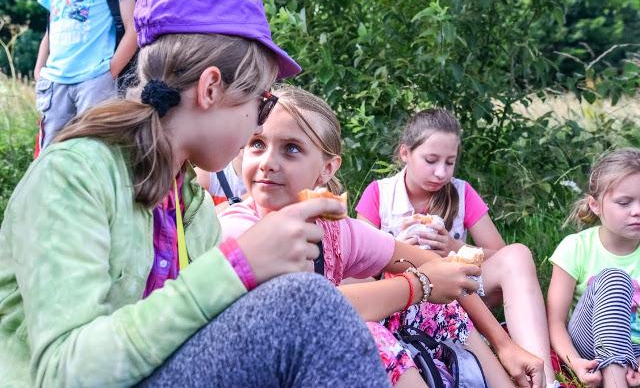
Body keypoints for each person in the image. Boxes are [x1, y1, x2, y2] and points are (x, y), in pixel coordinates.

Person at [0, 0, 390, 387]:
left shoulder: (193, 206)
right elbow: (65, 371)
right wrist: (236, 266)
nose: (259, 124)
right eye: (262, 104)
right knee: (309, 304)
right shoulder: (74, 175)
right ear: (210, 88)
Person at [218, 85, 545, 387]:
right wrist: (419, 284)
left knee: (435, 307)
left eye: (290, 149)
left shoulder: (335, 229)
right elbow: (313, 310)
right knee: (368, 336)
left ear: (327, 169)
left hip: (315, 359)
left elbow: (438, 268)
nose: (267, 162)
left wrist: (504, 344)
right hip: (256, 371)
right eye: (257, 144)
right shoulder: (239, 228)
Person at [355, 108, 558, 387]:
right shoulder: (380, 193)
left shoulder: (461, 192)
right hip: (402, 297)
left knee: (518, 254)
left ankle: (544, 379)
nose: (441, 172)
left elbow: (500, 255)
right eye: (431, 160)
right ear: (405, 153)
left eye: (449, 162)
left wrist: (454, 247)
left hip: (461, 295)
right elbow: (359, 269)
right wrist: (399, 253)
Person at [547, 148, 640, 388]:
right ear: (595, 205)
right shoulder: (576, 247)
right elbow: (555, 321)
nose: (637, 211)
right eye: (624, 202)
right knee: (614, 279)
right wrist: (575, 362)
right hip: (590, 348)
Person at [33, 0, 138, 149]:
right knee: (52, 156)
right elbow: (50, 30)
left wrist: (109, 74)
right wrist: (39, 71)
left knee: (94, 151)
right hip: (54, 82)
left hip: (95, 80)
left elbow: (134, 29)